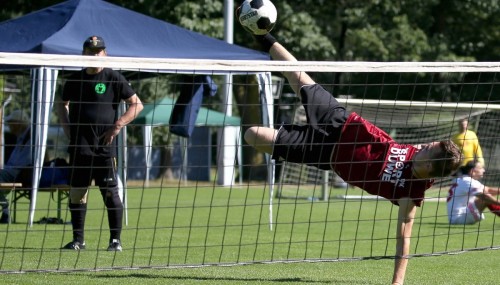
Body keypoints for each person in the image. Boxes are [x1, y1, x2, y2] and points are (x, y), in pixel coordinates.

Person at [238, 20, 462, 284]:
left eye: (429, 149)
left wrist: (397, 282)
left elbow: (404, 238)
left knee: (253, 135)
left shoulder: (411, 193)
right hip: (340, 122)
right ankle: (261, 33)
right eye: (428, 144)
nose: (423, 145)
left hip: (323, 154)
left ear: (430, 166)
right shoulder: (419, 155)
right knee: (296, 74)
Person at [55, 35, 143, 251]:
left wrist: (118, 124)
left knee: (110, 194)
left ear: (105, 53)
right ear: (83, 54)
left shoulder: (114, 78)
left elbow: (137, 104)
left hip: (104, 148)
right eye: (91, 52)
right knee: (77, 193)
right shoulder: (74, 80)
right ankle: (78, 240)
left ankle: (115, 241)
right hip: (80, 147)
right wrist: (67, 127)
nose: (95, 55)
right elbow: (61, 104)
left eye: (98, 52)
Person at [0, 110, 31, 223]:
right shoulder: (21, 137)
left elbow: (23, 162)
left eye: (11, 122)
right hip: (13, 170)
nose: (9, 125)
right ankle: (5, 211)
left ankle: (5, 210)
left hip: (20, 172)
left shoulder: (30, 136)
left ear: (18, 123)